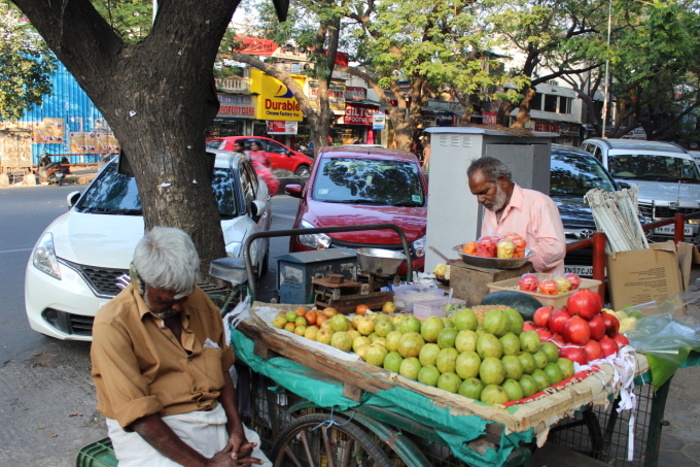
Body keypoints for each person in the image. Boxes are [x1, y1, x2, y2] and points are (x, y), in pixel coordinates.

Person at [91, 227, 270, 467]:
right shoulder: (113, 324)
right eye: (164, 300)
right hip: (151, 431)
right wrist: (206, 465)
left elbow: (222, 369)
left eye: (182, 298)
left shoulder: (199, 303)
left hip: (210, 418)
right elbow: (140, 417)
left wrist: (236, 429)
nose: (175, 308)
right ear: (138, 282)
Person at [467, 156, 566, 275]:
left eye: (484, 192)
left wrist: (516, 265)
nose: (480, 200)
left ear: (502, 181)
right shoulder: (491, 209)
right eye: (476, 195)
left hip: (538, 289)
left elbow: (554, 248)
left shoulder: (538, 203)